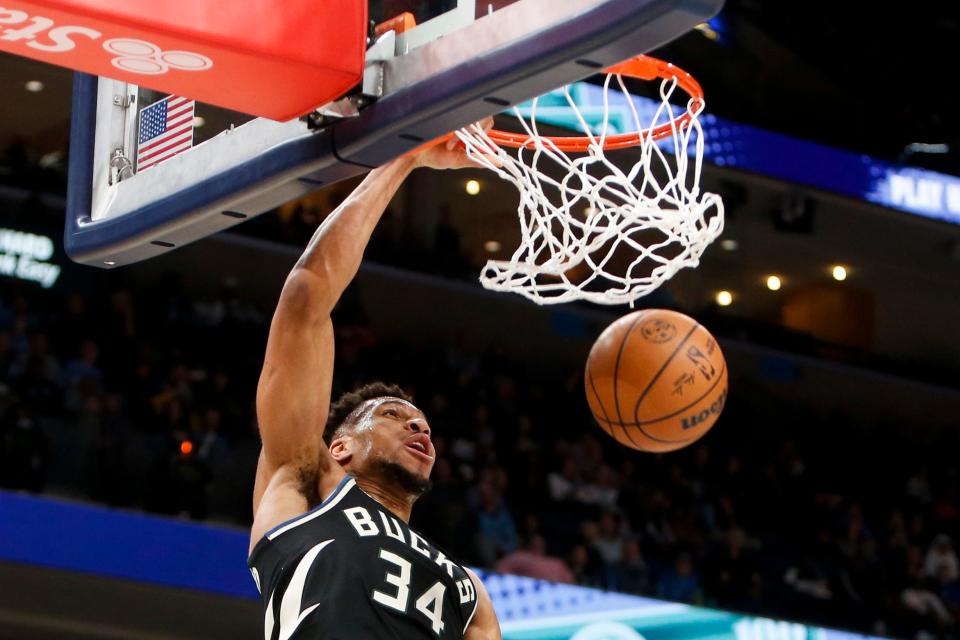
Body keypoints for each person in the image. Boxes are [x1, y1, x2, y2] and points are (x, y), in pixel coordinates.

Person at [248, 130, 501, 639]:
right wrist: (403, 158)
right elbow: (306, 296)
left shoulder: (466, 591)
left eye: (423, 423)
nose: (418, 424)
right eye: (393, 415)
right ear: (339, 446)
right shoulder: (301, 484)